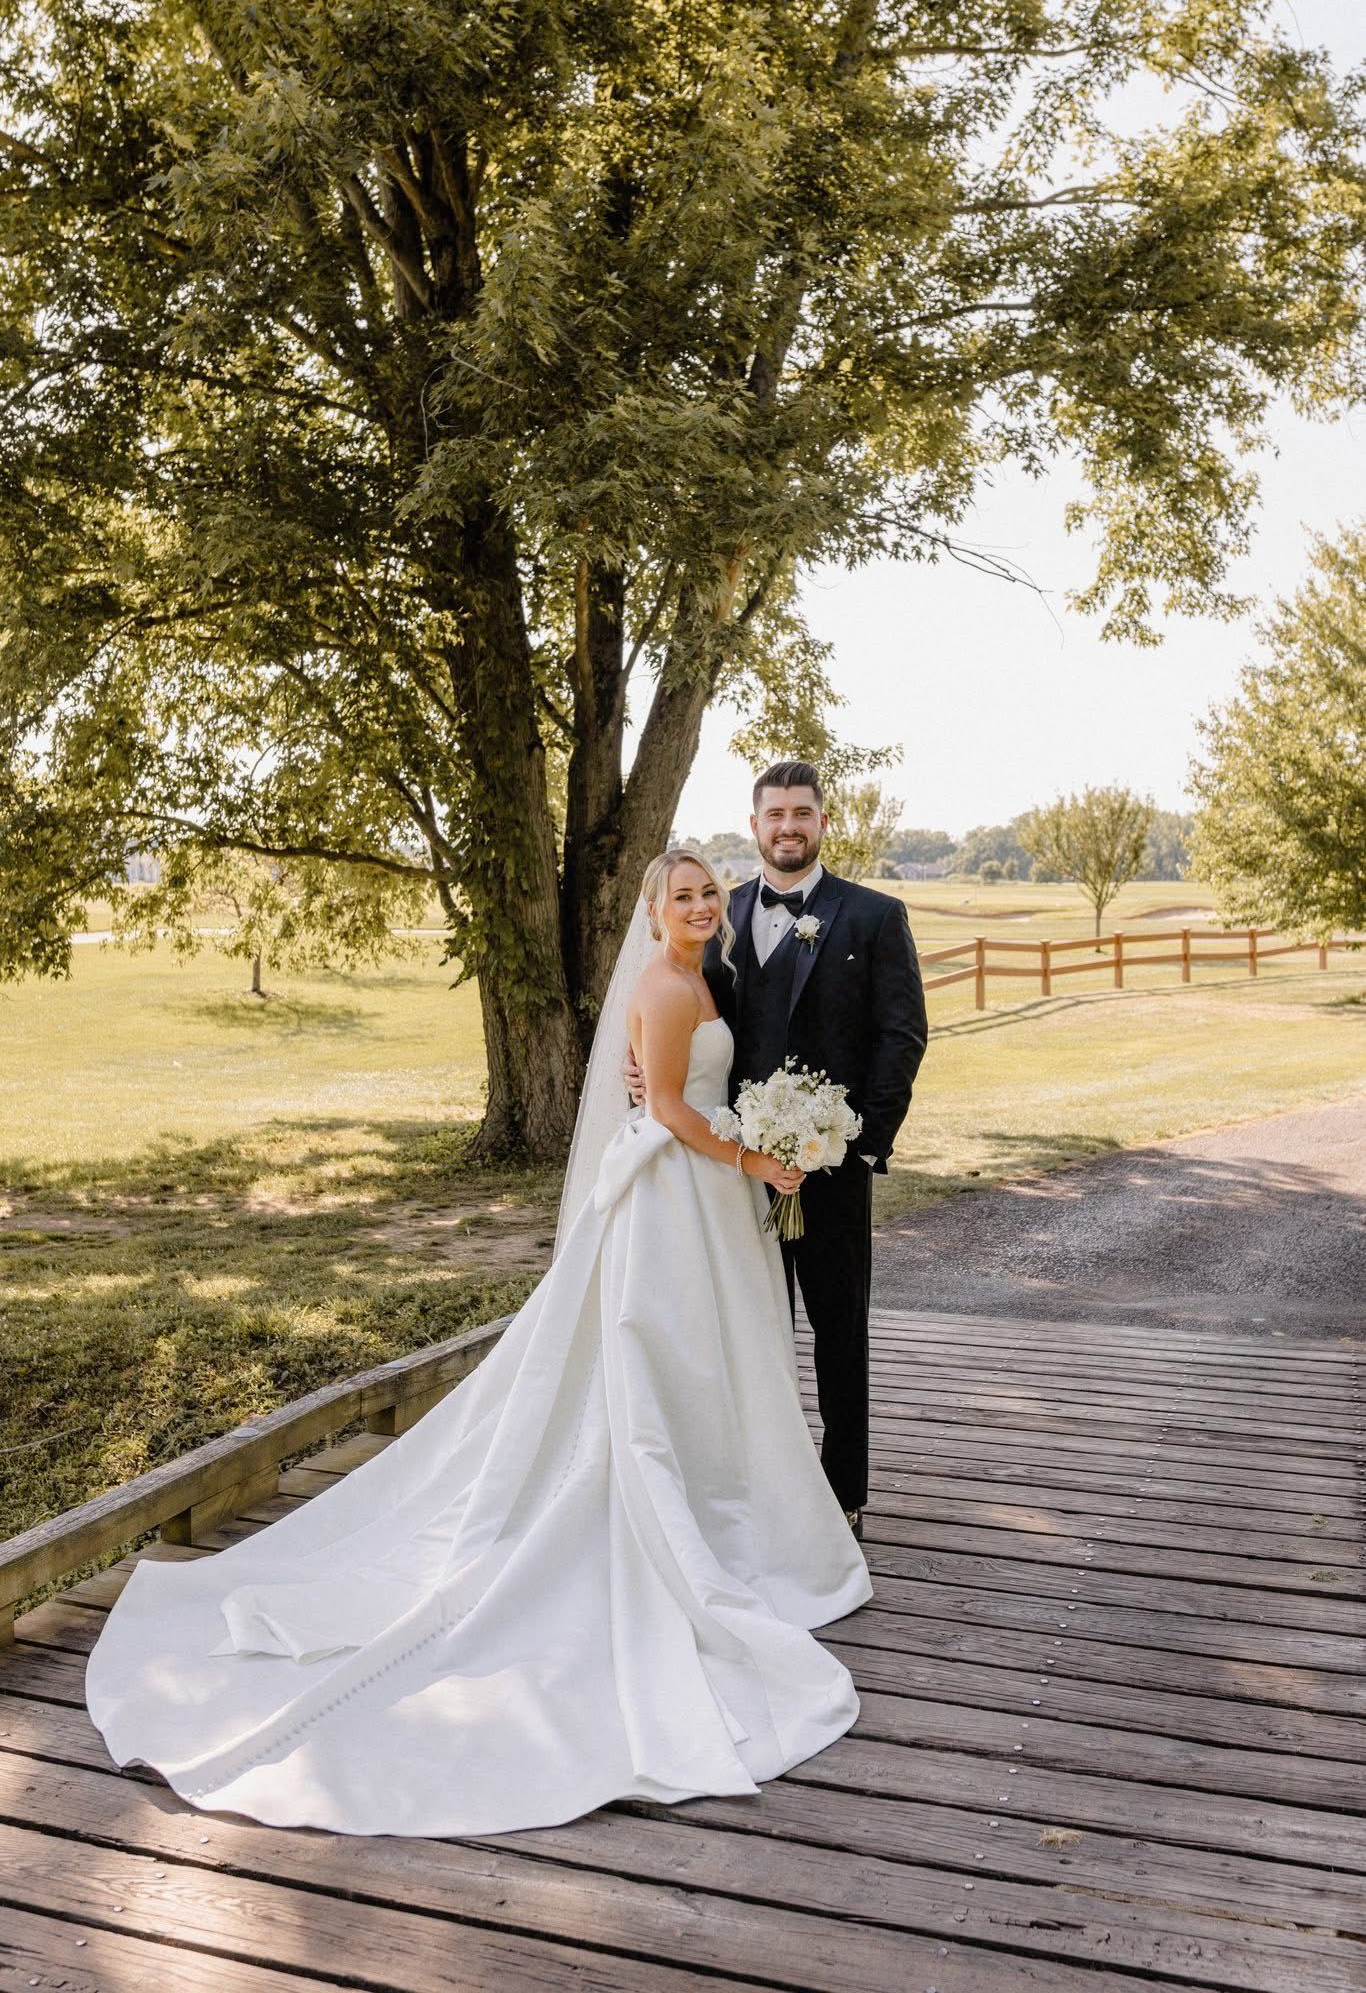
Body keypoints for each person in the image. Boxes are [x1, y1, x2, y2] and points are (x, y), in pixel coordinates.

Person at [83, 847, 872, 1837]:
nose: (702, 905)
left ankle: (718, 1504)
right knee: (655, 1356)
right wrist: (756, 1151)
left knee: (702, 1362)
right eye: (684, 894)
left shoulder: (697, 976)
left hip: (699, 1192)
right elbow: (668, 1106)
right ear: (651, 907)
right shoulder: (666, 990)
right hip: (675, 1192)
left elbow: (684, 1092)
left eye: (710, 891)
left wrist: (765, 1134)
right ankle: (667, 1511)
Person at [626, 762, 928, 1538]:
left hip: (829, 1166)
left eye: (802, 813)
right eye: (774, 815)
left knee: (838, 1332)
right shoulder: (714, 921)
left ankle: (843, 1499)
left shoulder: (873, 916)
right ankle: (756, 1485)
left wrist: (857, 1145)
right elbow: (686, 1025)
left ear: (823, 822)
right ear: (754, 826)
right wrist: (645, 1066)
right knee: (744, 1331)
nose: (788, 826)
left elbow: (902, 1037)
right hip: (726, 1172)